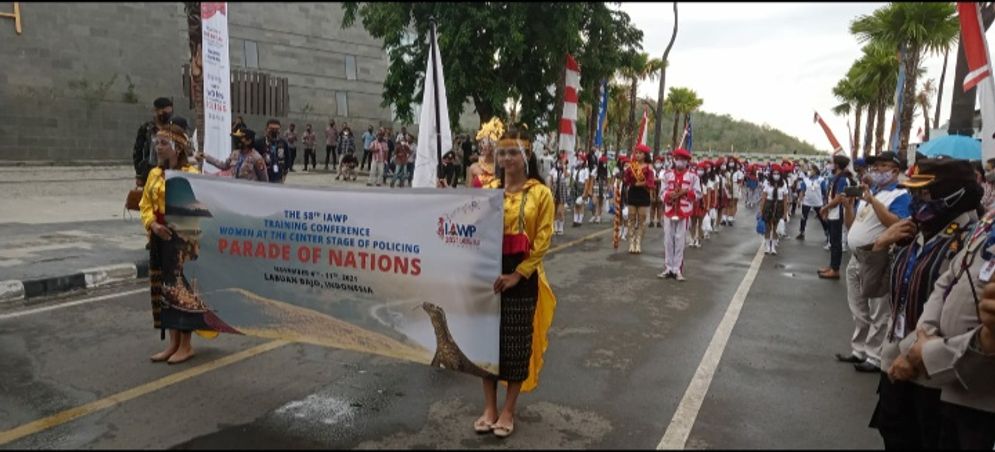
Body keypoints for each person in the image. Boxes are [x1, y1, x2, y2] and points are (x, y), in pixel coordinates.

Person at [860, 159, 981, 450]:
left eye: (924, 194)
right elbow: (872, 288)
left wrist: (911, 355)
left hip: (933, 378)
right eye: (914, 194)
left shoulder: (969, 243)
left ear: (952, 195)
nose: (916, 202)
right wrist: (879, 246)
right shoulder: (915, 234)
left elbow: (957, 316)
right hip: (895, 369)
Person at [884, 168, 995, 449]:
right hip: (918, 365)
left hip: (959, 384)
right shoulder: (987, 225)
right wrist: (913, 349)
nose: (917, 201)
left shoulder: (966, 230)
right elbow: (944, 287)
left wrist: (924, 354)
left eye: (923, 193)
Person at [478, 124, 556, 439]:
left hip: (521, 277)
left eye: (513, 152)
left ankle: (508, 409)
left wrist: (517, 275)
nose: (507, 158)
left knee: (515, 345)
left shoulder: (541, 193)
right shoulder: (487, 191)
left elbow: (543, 240)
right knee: (484, 343)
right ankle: (488, 408)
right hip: (486, 273)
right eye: (503, 152)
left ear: (526, 156)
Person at [140, 118, 227, 364]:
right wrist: (153, 224)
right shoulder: (154, 174)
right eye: (157, 142)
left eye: (163, 142)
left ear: (177, 148)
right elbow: (145, 204)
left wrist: (177, 229)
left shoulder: (191, 175)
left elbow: (197, 208)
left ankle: (186, 345)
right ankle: (173, 343)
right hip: (159, 240)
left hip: (183, 245)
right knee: (164, 292)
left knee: (181, 291)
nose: (158, 146)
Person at [836, 151, 912, 374]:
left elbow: (895, 224)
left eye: (882, 166)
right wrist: (849, 207)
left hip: (878, 258)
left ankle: (875, 355)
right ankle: (859, 349)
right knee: (858, 307)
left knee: (879, 309)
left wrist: (872, 201)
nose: (877, 170)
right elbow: (853, 227)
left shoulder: (900, 195)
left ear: (895, 171)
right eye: (875, 166)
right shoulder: (872, 193)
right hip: (857, 257)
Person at [658, 148, 701, 281]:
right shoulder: (667, 175)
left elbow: (698, 194)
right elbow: (662, 193)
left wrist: (685, 193)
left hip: (684, 212)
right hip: (670, 210)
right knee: (668, 240)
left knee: (680, 240)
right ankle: (668, 267)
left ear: (687, 162)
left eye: (683, 160)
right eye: (678, 159)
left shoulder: (693, 176)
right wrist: (669, 195)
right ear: (674, 160)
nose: (680, 162)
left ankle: (677, 269)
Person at [818, 155, 856, 279]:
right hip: (833, 213)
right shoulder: (837, 178)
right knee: (833, 241)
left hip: (838, 214)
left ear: (837, 165)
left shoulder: (843, 179)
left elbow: (839, 198)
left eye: (832, 163)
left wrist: (825, 208)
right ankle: (832, 266)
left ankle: (835, 269)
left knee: (836, 242)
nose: (830, 165)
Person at [197, 129, 269, 182]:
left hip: (249, 192)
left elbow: (264, 179)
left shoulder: (257, 158)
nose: (237, 140)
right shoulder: (235, 153)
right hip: (235, 189)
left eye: (240, 138)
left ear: (249, 141)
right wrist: (206, 156)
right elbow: (224, 166)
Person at [132, 97, 174, 188]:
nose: (167, 115)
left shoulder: (174, 129)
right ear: (156, 111)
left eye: (170, 113)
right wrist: (139, 173)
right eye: (165, 112)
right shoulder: (146, 129)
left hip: (169, 172)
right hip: (149, 171)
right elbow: (138, 152)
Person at [623, 144, 656, 254]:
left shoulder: (649, 168)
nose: (637, 155)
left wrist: (641, 183)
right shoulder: (631, 166)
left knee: (641, 221)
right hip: (632, 194)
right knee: (631, 219)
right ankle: (631, 242)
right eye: (636, 153)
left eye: (640, 153)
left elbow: (651, 183)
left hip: (643, 195)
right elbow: (626, 180)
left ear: (645, 155)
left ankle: (638, 242)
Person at [759, 164, 790, 255]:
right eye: (774, 173)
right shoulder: (767, 183)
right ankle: (768, 246)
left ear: (780, 174)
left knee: (776, 227)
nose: (776, 175)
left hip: (779, 205)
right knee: (768, 227)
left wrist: (785, 212)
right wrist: (761, 210)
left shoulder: (783, 183)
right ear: (771, 174)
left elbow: (785, 199)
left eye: (778, 173)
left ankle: (773, 247)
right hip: (768, 205)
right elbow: (763, 197)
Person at [797, 164, 829, 242]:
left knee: (822, 218)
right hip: (807, 202)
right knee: (803, 217)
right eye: (808, 170)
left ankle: (827, 233)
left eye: (810, 169)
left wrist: (826, 201)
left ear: (815, 170)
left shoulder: (821, 180)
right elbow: (802, 191)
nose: (809, 171)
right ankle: (802, 232)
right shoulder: (805, 180)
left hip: (818, 202)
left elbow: (824, 191)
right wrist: (799, 200)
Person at [470, 118, 502, 188]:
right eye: (481, 142)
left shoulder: (502, 168)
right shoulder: (474, 167)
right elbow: (467, 195)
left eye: (484, 142)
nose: (481, 145)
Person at [255, 119, 289, 183]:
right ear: (266, 129)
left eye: (277, 129)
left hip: (278, 176)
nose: (274, 131)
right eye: (271, 129)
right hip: (263, 177)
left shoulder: (283, 142)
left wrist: (285, 171)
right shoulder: (259, 142)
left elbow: (287, 157)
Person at [547, 154, 571, 235]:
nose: (561, 160)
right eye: (560, 159)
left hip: (562, 189)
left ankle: (560, 227)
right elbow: (550, 179)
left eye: (562, 159)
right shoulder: (554, 169)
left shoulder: (566, 168)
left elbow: (567, 175)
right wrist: (550, 189)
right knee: (554, 210)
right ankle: (555, 227)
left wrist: (563, 166)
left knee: (560, 210)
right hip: (555, 189)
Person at [571, 157, 591, 227]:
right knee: (575, 204)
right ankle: (575, 220)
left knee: (580, 204)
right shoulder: (575, 169)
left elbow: (586, 181)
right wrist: (572, 188)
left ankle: (580, 221)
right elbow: (573, 179)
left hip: (581, 187)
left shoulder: (586, 169)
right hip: (575, 187)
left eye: (581, 160)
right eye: (578, 160)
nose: (579, 161)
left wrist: (585, 192)